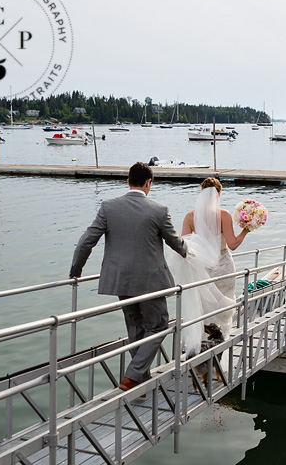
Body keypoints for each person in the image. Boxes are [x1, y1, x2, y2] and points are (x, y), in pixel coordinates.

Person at [69, 162, 188, 391]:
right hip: (151, 281)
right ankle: (132, 376)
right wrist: (188, 251)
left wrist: (76, 270)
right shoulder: (159, 210)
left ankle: (138, 383)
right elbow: (175, 242)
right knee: (160, 325)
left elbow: (86, 241)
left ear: (128, 181)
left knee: (135, 326)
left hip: (120, 279)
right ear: (148, 183)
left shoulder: (108, 207)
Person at [169, 177, 248, 356]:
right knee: (224, 308)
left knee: (204, 308)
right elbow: (233, 244)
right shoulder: (224, 215)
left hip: (202, 270)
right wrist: (246, 230)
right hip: (224, 267)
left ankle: (203, 348)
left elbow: (184, 246)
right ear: (218, 193)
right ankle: (220, 347)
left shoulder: (190, 216)